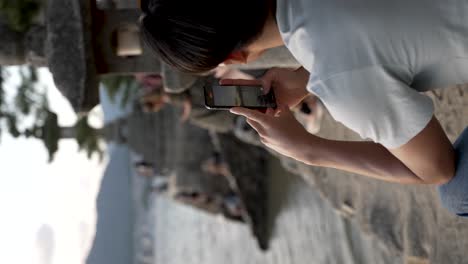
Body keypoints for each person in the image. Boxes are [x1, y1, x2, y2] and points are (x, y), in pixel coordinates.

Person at [139, 0, 468, 216]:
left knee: (456, 196)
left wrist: (311, 150)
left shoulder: (338, 77)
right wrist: (304, 78)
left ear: (234, 58)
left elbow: (438, 168)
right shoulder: (331, 64)